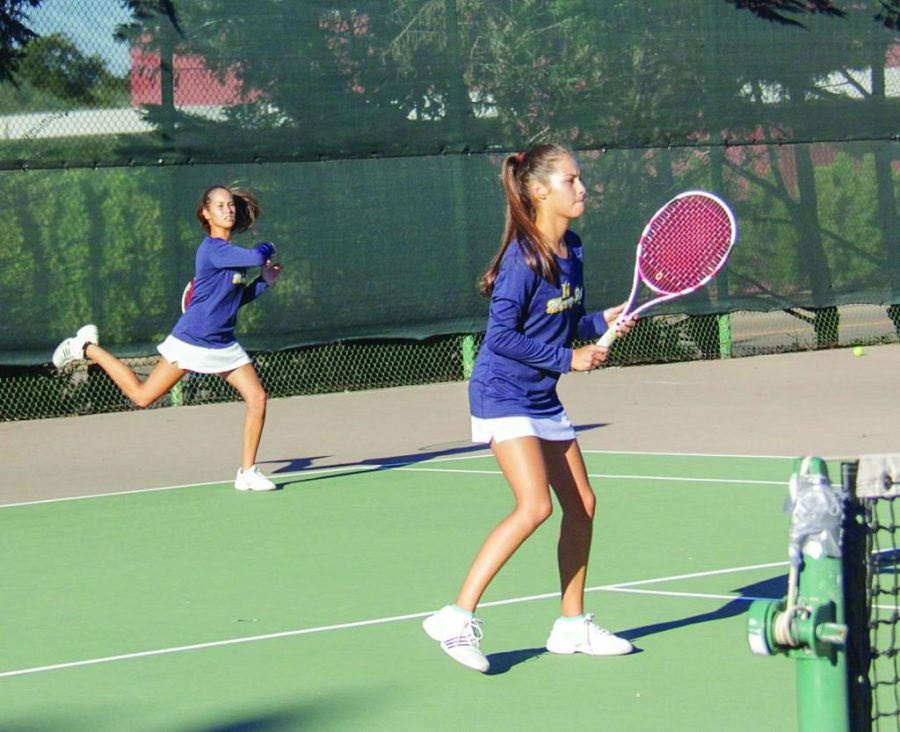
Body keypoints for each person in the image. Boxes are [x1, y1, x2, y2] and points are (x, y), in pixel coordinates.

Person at [423, 144, 636, 672]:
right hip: (501, 394)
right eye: (571, 180)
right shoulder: (521, 259)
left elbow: (568, 321)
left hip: (541, 396)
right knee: (534, 506)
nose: (581, 188)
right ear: (539, 191)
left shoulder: (574, 249)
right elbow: (501, 338)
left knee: (582, 505)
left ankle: (571, 625)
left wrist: (601, 321)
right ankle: (455, 617)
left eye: (580, 178)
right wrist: (569, 358)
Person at [52, 184, 282, 492]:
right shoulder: (214, 250)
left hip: (223, 342)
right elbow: (257, 255)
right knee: (142, 397)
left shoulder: (233, 257)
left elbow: (233, 301)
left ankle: (247, 471)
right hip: (193, 340)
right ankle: (86, 347)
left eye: (230, 205)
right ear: (206, 213)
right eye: (220, 205)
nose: (228, 210)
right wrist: (267, 248)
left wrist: (265, 282)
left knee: (257, 398)